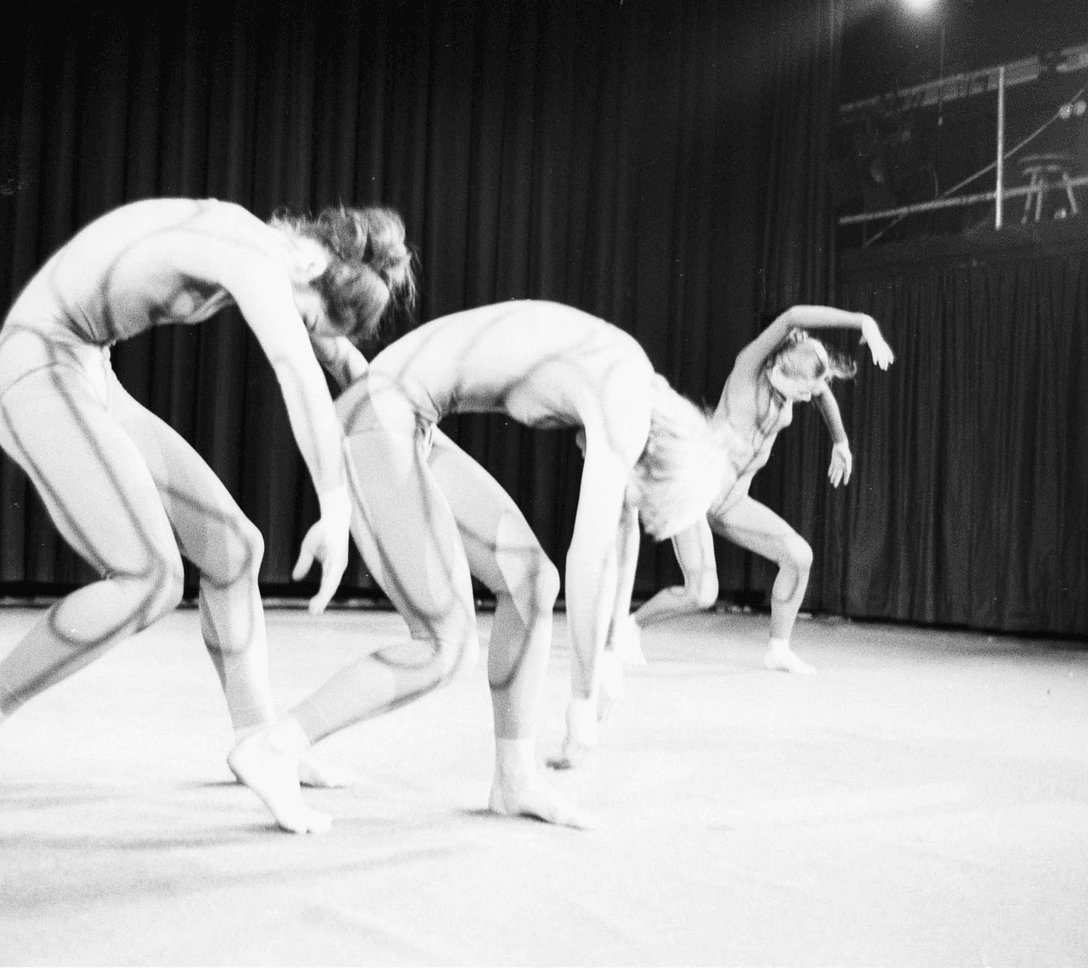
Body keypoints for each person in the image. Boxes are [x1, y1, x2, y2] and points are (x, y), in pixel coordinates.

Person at [0, 197, 415, 815]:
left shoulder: (281, 263)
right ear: (311, 260)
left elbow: (340, 362)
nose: (308, 333)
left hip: (89, 372)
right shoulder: (246, 249)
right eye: (311, 319)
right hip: (37, 365)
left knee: (235, 550)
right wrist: (337, 508)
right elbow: (296, 368)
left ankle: (258, 742)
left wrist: (409, 434)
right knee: (148, 578)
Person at [227, 300, 729, 833]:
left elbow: (619, 535)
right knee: (446, 646)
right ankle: (276, 747)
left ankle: (513, 777)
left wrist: (606, 650)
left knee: (533, 582)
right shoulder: (626, 403)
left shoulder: (630, 376)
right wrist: (582, 697)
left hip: (403, 416)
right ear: (654, 458)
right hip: (382, 416)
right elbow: (592, 554)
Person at [620, 305, 894, 675]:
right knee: (702, 593)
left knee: (799, 556)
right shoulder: (748, 368)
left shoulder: (798, 381)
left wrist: (841, 442)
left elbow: (821, 392)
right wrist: (863, 321)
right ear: (777, 369)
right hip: (695, 493)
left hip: (732, 501)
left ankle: (778, 649)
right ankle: (630, 626)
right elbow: (794, 315)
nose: (805, 397)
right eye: (800, 390)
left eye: (808, 390)